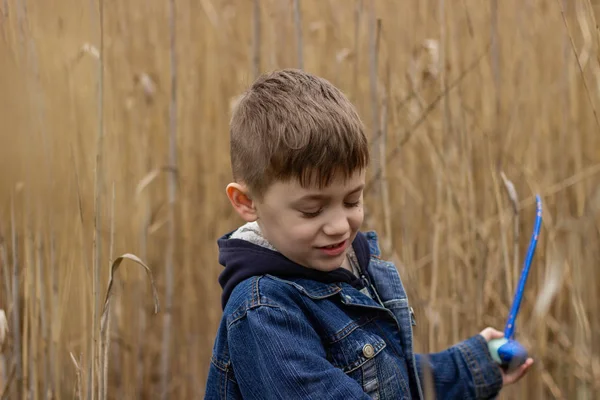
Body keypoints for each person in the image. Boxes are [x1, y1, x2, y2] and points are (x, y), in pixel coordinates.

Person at [204, 68, 533, 399]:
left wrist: (471, 366)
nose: (339, 225)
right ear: (247, 202)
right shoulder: (264, 311)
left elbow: (387, 378)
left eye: (352, 200)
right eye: (312, 210)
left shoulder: (348, 268)